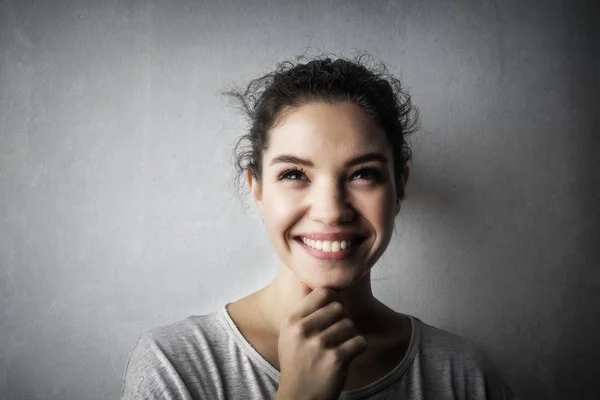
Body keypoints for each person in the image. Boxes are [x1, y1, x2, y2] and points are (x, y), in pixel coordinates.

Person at [120, 53, 516, 400]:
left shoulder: (464, 376)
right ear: (256, 189)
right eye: (294, 174)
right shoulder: (175, 367)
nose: (330, 212)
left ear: (400, 187)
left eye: (363, 174)